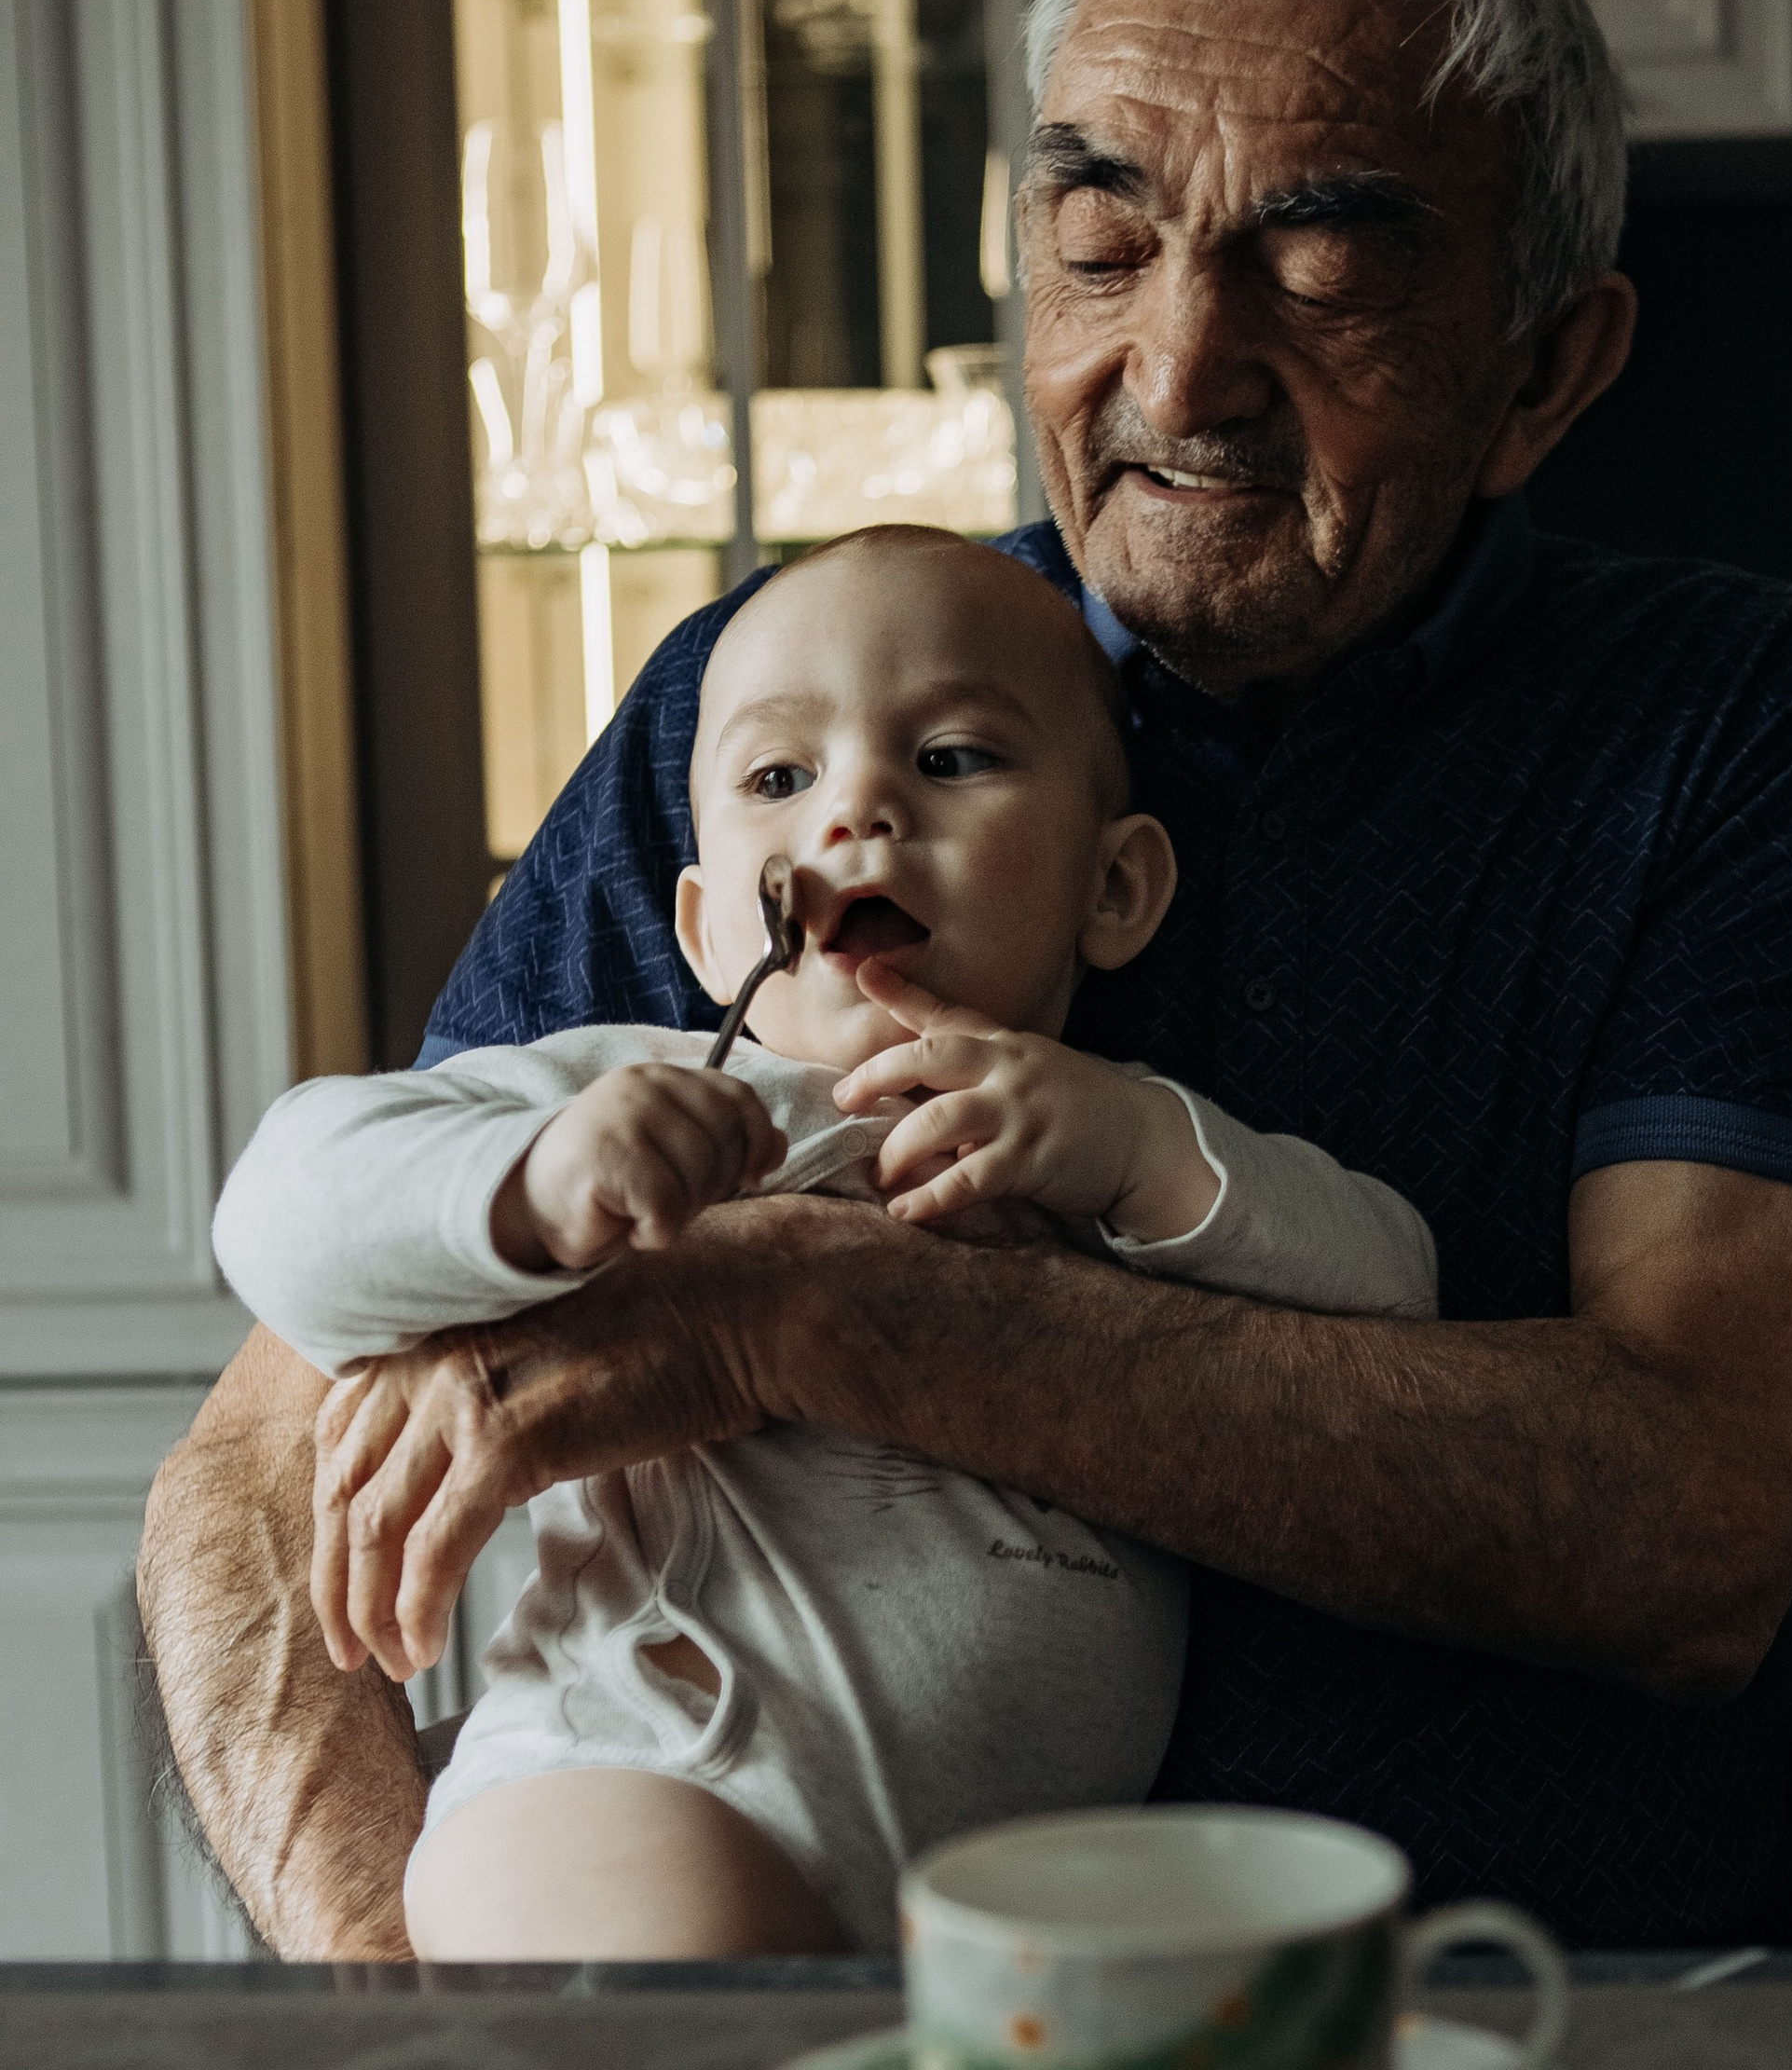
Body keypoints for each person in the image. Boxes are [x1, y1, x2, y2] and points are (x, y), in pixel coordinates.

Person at [143, 0, 1792, 1962]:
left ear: (1544, 367)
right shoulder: (801, 699)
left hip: (1485, 2017)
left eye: (1321, 269)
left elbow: (1683, 1529)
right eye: (1099, 243)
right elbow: (267, 1466)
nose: (1174, 371)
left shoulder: (1726, 724)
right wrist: (416, 2013)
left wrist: (787, 1313)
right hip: (741, 2032)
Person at [208, 529, 1434, 1959]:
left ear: (1116, 893)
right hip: (648, 1784)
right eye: (780, 779)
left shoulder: (1120, 1142)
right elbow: (280, 1213)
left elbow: (1393, 1294)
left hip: (1007, 1905)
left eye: (956, 759)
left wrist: (1145, 1153)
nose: (857, 807)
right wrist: (536, 1186)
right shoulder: (634, 1090)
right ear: (707, 927)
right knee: (666, 2069)